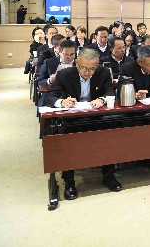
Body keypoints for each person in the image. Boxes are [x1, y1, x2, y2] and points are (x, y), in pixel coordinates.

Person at [44, 47, 120, 198]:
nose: (88, 72)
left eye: (92, 69)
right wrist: (61, 102)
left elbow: (110, 92)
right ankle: (69, 182)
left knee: (111, 134)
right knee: (67, 140)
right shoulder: (64, 74)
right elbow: (49, 96)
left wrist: (102, 99)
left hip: (96, 117)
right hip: (72, 119)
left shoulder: (103, 72)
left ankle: (109, 176)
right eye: (84, 68)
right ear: (77, 63)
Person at [38, 39, 77, 105]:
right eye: (66, 54)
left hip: (74, 96)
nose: (69, 57)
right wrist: (49, 81)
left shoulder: (79, 64)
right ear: (59, 52)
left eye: (72, 54)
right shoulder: (49, 62)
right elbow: (40, 81)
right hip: (53, 95)